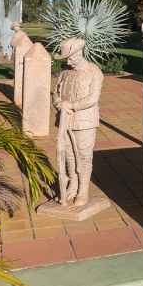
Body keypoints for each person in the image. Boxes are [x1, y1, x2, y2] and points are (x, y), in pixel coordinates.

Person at [53, 37, 103, 207]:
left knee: (83, 156)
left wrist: (72, 105)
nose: (68, 61)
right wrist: (59, 103)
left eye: (70, 57)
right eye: (66, 58)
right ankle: (72, 184)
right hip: (64, 120)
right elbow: (55, 93)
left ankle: (83, 189)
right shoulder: (64, 73)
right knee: (69, 155)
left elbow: (93, 98)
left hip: (85, 121)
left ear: (79, 53)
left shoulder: (94, 72)